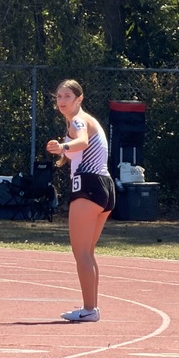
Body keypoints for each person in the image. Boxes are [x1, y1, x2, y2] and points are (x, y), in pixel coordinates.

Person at [46, 78, 115, 322]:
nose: (62, 101)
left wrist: (63, 147)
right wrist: (65, 150)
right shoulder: (79, 123)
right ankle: (91, 308)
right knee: (88, 252)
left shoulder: (78, 120)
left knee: (81, 253)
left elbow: (82, 141)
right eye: (59, 96)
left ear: (79, 99)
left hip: (89, 186)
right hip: (105, 188)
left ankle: (89, 309)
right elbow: (80, 148)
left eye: (67, 96)